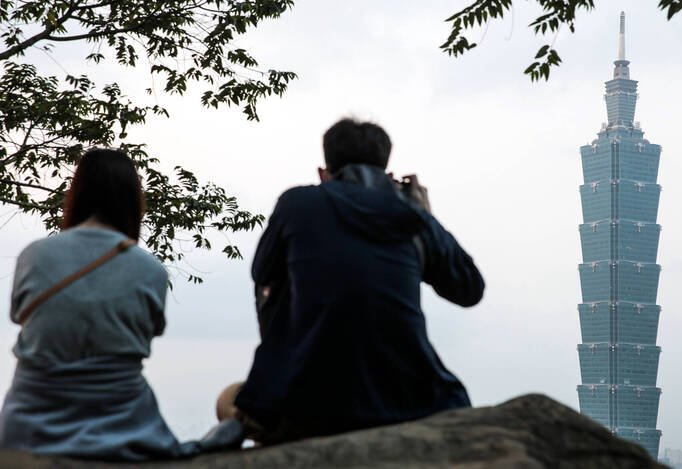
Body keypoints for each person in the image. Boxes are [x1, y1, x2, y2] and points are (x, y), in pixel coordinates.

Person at [218, 118, 485, 445]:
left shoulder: (297, 204)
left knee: (229, 394)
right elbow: (469, 290)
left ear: (323, 174)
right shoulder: (412, 216)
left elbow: (261, 274)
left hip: (305, 405)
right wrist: (426, 215)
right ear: (387, 175)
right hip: (413, 400)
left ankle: (276, 387)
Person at [0, 149, 202, 460]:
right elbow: (146, 335)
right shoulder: (150, 270)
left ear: (76, 194)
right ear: (133, 201)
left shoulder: (34, 256)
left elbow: (19, 317)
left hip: (29, 425)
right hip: (126, 428)